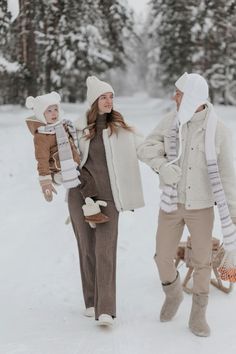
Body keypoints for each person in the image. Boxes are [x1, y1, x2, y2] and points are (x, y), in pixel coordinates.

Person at [137, 72, 236, 337]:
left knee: (202, 262)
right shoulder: (171, 121)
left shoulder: (219, 131)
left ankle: (198, 314)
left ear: (192, 98)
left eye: (178, 93)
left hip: (202, 207)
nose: (174, 97)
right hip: (171, 204)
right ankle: (173, 294)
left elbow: (228, 177)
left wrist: (234, 217)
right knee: (161, 256)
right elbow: (145, 147)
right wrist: (162, 167)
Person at [68, 76, 144, 326]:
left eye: (111, 97)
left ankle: (106, 309)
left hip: (109, 198)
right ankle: (90, 300)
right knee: (87, 249)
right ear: (94, 101)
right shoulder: (78, 129)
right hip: (80, 196)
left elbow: (144, 147)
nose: (109, 101)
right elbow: (64, 161)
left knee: (105, 251)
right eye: (104, 97)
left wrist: (163, 162)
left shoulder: (122, 128)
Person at [25, 92, 109, 225]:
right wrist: (45, 182)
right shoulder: (42, 135)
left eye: (55, 109)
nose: (54, 113)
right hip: (60, 169)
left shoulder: (62, 126)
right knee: (86, 180)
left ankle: (80, 213)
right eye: (49, 111)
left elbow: (73, 136)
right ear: (41, 114)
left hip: (71, 163)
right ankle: (92, 213)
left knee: (84, 181)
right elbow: (41, 159)